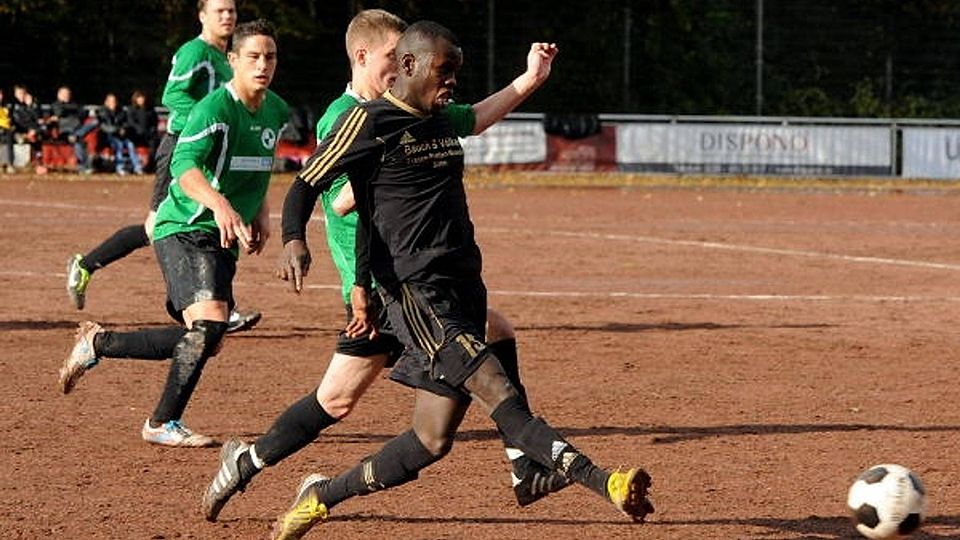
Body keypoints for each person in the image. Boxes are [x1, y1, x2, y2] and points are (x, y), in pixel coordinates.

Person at [266, 21, 653, 540]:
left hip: (465, 288)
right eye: (444, 70)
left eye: (456, 72)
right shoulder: (367, 121)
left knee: (430, 441)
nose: (451, 81)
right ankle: (605, 481)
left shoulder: (440, 119)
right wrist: (294, 240)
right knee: (499, 391)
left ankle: (320, 496)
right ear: (409, 66)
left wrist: (531, 78)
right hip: (418, 297)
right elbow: (305, 184)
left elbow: (479, 115)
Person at [200, 9, 571, 522]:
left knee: (492, 335)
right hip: (378, 288)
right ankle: (247, 462)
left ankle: (522, 464)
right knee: (335, 400)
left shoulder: (412, 111)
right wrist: (391, 167)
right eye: (394, 57)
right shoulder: (347, 117)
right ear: (362, 56)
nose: (403, 66)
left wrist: (528, 80)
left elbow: (472, 119)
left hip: (416, 282)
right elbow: (337, 199)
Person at [57, 19, 289, 448]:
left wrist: (262, 214)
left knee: (206, 340)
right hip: (184, 225)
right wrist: (221, 205)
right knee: (210, 327)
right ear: (233, 60)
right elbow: (183, 167)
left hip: (221, 236)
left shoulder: (277, 110)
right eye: (253, 57)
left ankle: (98, 344)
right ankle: (161, 422)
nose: (263, 65)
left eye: (270, 57)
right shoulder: (213, 109)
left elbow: (257, 169)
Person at [63, 0, 261, 333]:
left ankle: (220, 305)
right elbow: (172, 95)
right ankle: (85, 266)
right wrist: (208, 115)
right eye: (219, 11)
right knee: (158, 227)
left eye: (231, 10)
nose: (227, 16)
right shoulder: (195, 52)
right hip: (183, 149)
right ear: (202, 16)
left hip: (208, 151)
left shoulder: (226, 57)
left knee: (209, 219)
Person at [48, 85, 97, 174]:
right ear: (59, 95)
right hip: (66, 131)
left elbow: (82, 113)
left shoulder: (75, 104)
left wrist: (70, 111)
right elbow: (59, 112)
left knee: (95, 122)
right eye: (64, 94)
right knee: (77, 140)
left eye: (68, 94)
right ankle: (83, 166)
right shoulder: (55, 105)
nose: (66, 96)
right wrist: (70, 110)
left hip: (79, 129)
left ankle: (77, 135)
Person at [97, 92, 143, 175]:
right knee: (119, 145)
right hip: (107, 137)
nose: (113, 103)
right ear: (106, 102)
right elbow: (105, 127)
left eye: (114, 101)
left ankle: (137, 167)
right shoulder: (102, 112)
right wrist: (118, 130)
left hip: (121, 136)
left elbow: (126, 123)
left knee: (130, 144)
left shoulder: (121, 111)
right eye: (111, 101)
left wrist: (124, 129)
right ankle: (120, 167)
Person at [125, 90, 160, 172]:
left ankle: (151, 166)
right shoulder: (131, 110)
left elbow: (154, 123)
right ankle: (137, 166)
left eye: (142, 98)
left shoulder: (150, 110)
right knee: (130, 143)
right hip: (136, 135)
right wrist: (140, 130)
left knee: (155, 143)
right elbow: (131, 123)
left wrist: (151, 130)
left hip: (149, 135)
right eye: (139, 98)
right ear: (135, 99)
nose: (141, 99)